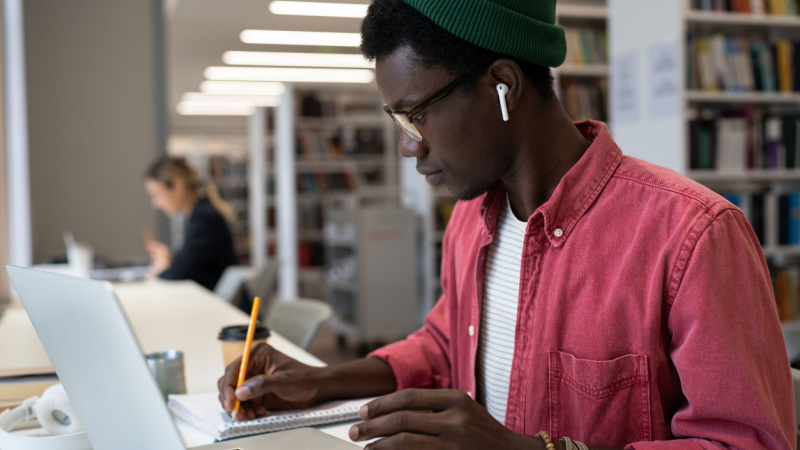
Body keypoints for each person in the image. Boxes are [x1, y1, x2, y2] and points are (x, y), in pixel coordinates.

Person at [218, 0, 796, 448]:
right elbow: (446, 343)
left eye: (417, 114)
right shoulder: (471, 221)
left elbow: (745, 443)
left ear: (503, 85)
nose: (406, 146)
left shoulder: (694, 236)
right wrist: (321, 383)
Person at [144, 156, 238, 291]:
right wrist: (168, 260)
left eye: (157, 195)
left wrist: (161, 269)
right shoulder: (199, 215)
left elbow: (179, 275)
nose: (155, 204)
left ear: (178, 185)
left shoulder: (204, 219)